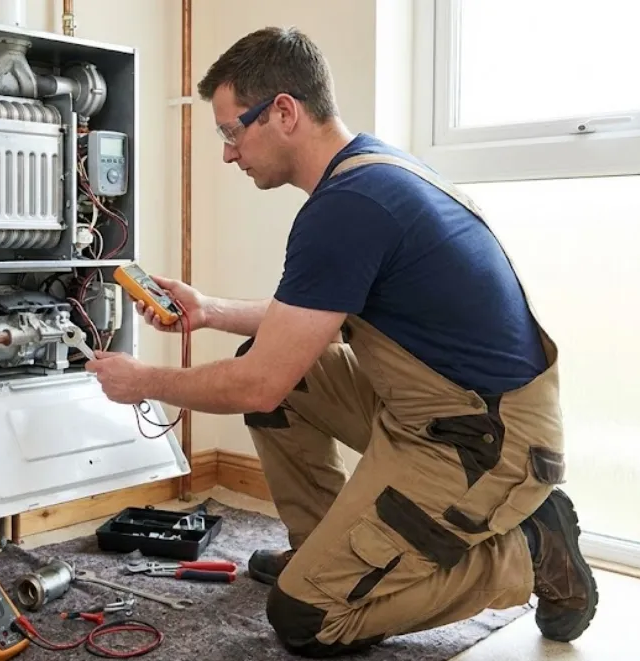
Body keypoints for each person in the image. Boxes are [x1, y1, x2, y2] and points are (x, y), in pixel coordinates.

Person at [85, 26, 599, 658]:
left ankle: (530, 553)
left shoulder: (348, 207)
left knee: (307, 618)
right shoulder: (367, 175)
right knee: (279, 376)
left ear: (283, 111)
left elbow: (257, 384)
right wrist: (210, 310)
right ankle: (326, 546)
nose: (227, 154)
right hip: (431, 406)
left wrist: (145, 382)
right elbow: (302, 322)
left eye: (230, 132)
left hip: (486, 441)